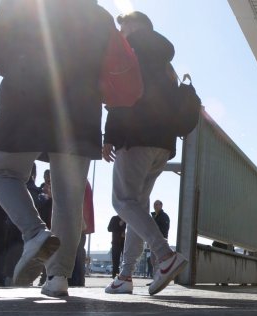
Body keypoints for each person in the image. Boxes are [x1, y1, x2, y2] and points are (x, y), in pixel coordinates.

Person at [0, 0, 115, 296]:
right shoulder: (99, 14)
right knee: (69, 199)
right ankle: (58, 279)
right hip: (82, 109)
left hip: (27, 95)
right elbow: (113, 64)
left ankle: (34, 233)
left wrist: (19, 70)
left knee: (4, 173)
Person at [103, 11, 187, 296]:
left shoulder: (130, 52)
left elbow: (119, 96)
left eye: (123, 24)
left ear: (136, 26)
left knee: (123, 201)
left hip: (135, 137)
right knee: (136, 204)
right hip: (163, 143)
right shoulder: (166, 62)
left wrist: (109, 137)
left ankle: (165, 255)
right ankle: (125, 275)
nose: (121, 30)